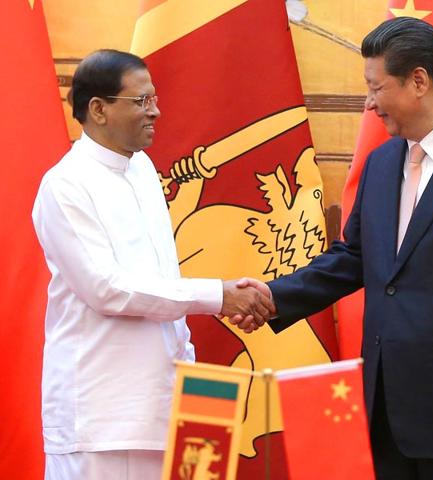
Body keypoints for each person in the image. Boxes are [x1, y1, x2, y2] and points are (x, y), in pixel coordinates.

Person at [236, 17, 433, 479]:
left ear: (418, 81)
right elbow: (355, 256)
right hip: (388, 406)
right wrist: (273, 297)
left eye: (375, 87)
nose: (369, 104)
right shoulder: (382, 162)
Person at [32, 49, 273, 480]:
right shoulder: (64, 186)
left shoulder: (141, 168)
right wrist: (218, 296)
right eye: (141, 101)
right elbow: (107, 288)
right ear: (98, 110)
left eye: (154, 98)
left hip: (178, 400)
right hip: (105, 420)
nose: (155, 111)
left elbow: (162, 281)